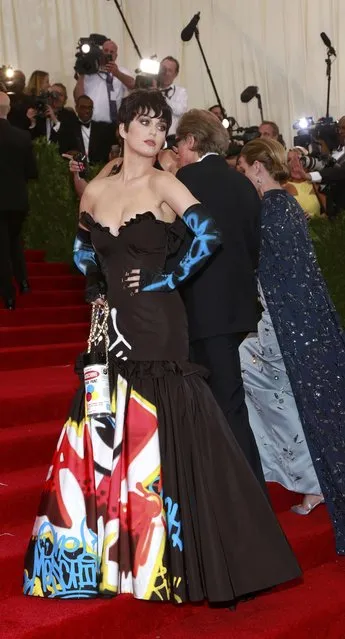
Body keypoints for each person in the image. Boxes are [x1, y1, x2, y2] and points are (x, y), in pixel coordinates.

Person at [23, 89, 300, 602]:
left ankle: (174, 558)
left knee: (163, 424)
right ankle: (113, 559)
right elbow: (82, 249)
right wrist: (100, 285)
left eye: (161, 124)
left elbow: (209, 234)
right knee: (108, 426)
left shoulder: (165, 182)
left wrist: (167, 276)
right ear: (123, 130)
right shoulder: (95, 192)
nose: (154, 132)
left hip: (158, 321)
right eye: (144, 122)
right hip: (108, 325)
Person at [237, 138, 345, 552]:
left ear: (259, 168)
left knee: (295, 396)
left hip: (286, 324)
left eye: (245, 170)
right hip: (291, 320)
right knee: (294, 398)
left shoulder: (272, 208)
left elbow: (280, 274)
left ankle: (310, 480)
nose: (244, 178)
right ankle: (306, 478)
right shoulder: (287, 204)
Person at [173, 109, 265, 490]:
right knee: (226, 399)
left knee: (221, 404)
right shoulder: (241, 182)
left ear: (192, 141)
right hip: (237, 310)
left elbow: (178, 245)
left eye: (177, 143)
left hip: (201, 310)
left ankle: (244, 493)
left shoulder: (185, 180)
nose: (176, 151)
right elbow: (254, 246)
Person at [0, 92, 37, 309]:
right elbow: (31, 172)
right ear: (9, 108)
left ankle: (8, 295)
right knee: (14, 241)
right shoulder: (22, 137)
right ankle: (23, 282)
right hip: (18, 201)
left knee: (2, 249)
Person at [74, 39, 134, 124]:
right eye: (106, 50)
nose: (108, 53)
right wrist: (82, 72)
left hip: (113, 124)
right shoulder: (89, 72)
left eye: (112, 52)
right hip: (91, 123)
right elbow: (78, 97)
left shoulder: (121, 71)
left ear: (116, 56)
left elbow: (134, 85)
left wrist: (117, 73)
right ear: (100, 52)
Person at [58, 94, 116, 164]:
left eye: (90, 108)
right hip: (75, 169)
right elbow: (62, 151)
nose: (87, 111)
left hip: (98, 170)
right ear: (76, 108)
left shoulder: (103, 129)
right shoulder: (68, 128)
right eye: (83, 107)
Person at [284, 147, 323, 218]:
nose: (293, 162)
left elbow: (330, 214)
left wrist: (314, 219)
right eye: (289, 160)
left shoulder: (316, 183)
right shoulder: (282, 186)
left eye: (298, 158)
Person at [158, 56, 187, 137]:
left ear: (176, 74)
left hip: (172, 137)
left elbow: (180, 110)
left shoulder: (181, 91)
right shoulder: (150, 90)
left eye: (170, 70)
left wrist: (160, 95)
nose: (165, 73)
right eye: (163, 69)